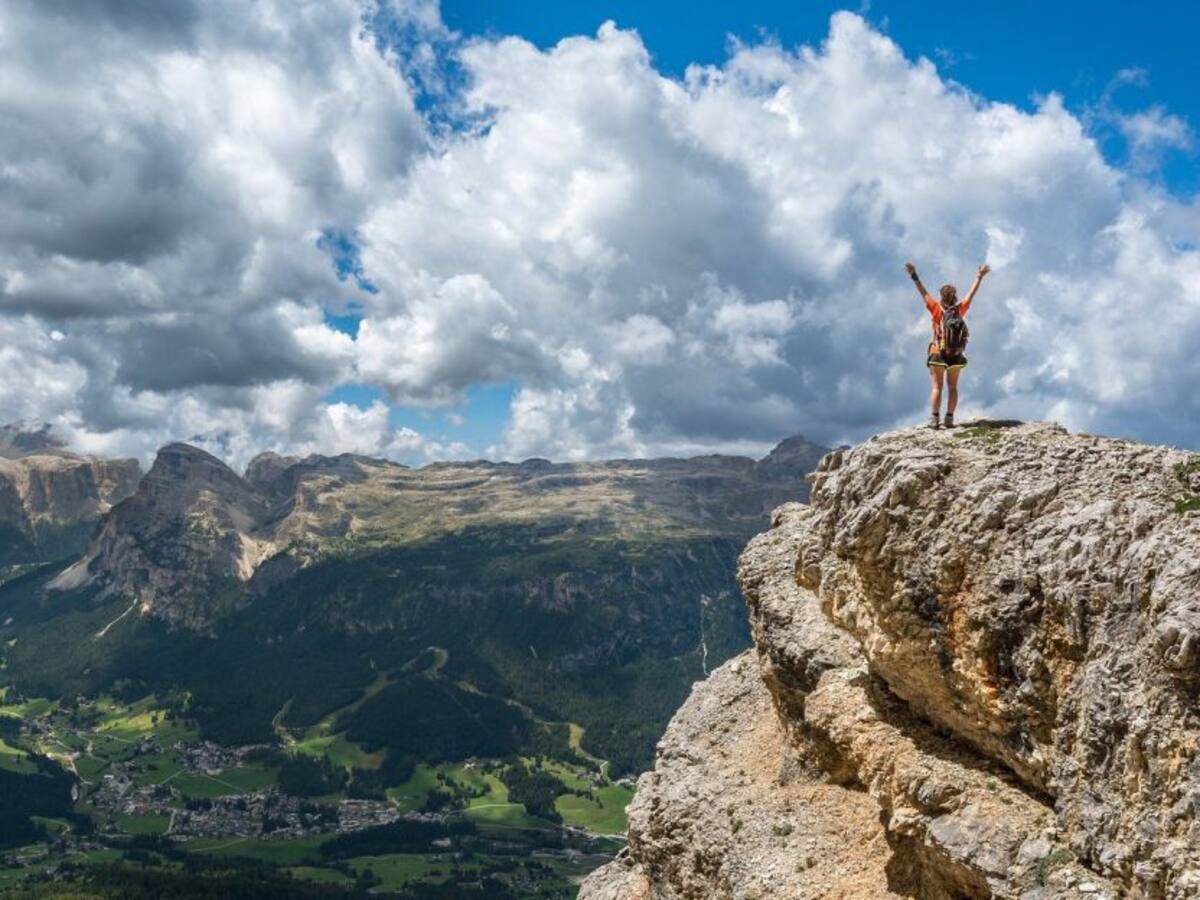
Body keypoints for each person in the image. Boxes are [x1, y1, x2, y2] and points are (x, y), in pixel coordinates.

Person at [905, 261, 990, 429]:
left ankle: (935, 419)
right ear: (954, 296)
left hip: (937, 352)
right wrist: (979, 277)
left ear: (941, 296)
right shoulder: (959, 310)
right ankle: (949, 418)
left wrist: (914, 275)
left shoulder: (935, 308)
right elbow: (971, 294)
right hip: (956, 354)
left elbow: (923, 292)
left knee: (937, 387)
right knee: (953, 387)